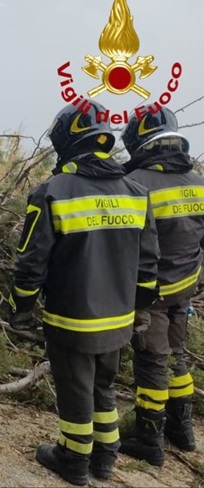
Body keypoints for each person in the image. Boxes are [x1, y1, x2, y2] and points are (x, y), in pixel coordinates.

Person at [8, 100, 160, 486]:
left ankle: (74, 459)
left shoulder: (52, 191)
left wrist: (20, 310)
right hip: (119, 319)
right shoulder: (136, 193)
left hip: (72, 317)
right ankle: (105, 457)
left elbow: (31, 264)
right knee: (103, 386)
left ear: (66, 140)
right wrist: (140, 310)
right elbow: (148, 268)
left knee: (75, 388)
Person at [118, 106, 204, 465]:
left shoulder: (135, 182)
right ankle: (182, 432)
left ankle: (149, 439)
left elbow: (124, 242)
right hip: (185, 284)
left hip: (152, 290)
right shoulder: (197, 181)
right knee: (176, 351)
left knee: (152, 359)